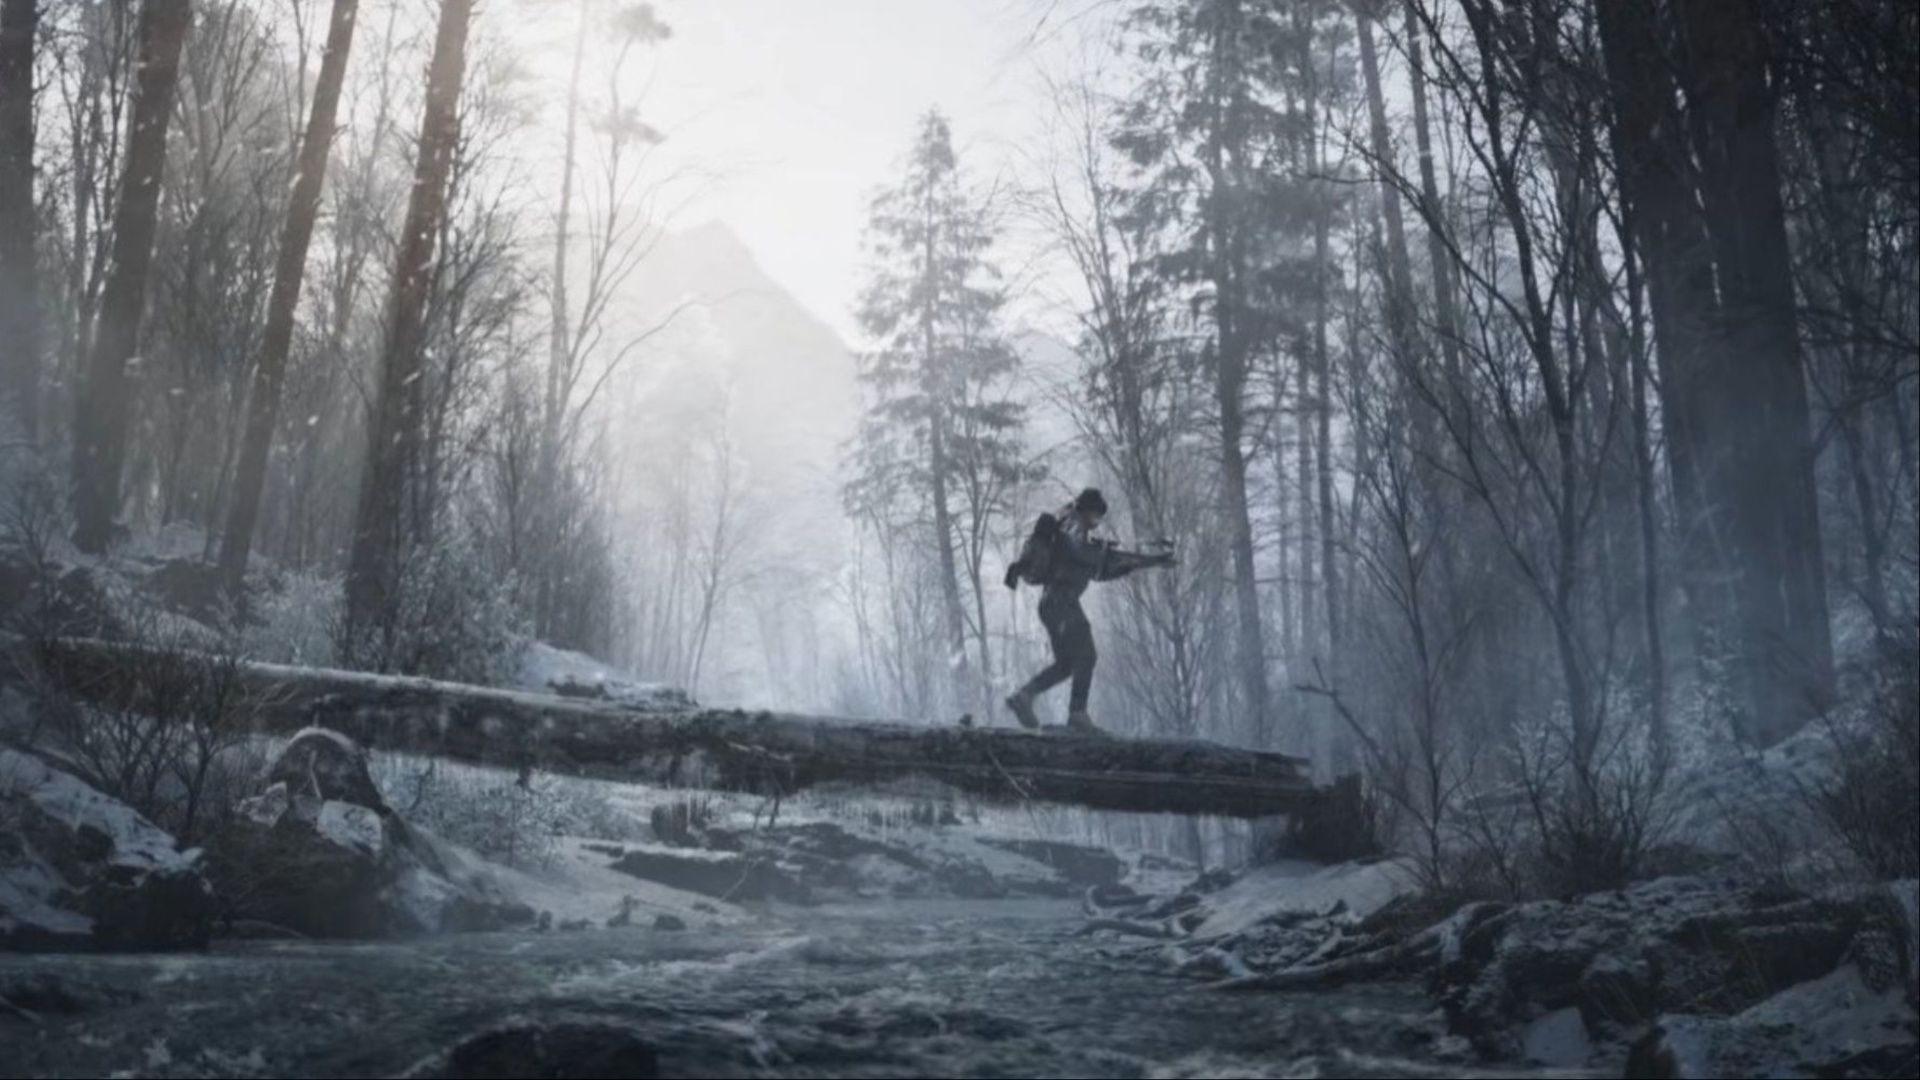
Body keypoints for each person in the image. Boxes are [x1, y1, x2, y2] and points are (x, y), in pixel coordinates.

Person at [1004, 488, 1173, 733]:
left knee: (1066, 664)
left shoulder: (1072, 531)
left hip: (1052, 605)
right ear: (1088, 509)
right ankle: (1078, 714)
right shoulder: (1074, 522)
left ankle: (1024, 696)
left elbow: (1100, 570)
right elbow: (1084, 552)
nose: (1097, 522)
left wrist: (1147, 562)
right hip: (1061, 602)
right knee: (1087, 656)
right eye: (1097, 515)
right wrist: (1104, 550)